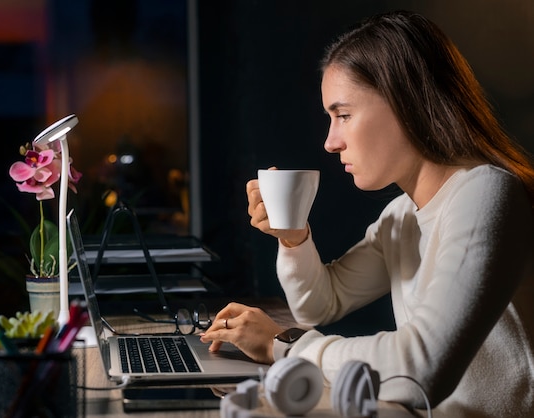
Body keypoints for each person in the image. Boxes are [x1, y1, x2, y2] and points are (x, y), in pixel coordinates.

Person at [199, 10, 534, 418]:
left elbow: (418, 369)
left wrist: (284, 346)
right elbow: (321, 305)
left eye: (343, 115)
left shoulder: (486, 192)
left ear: (405, 103)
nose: (330, 142)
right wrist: (293, 237)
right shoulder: (401, 217)